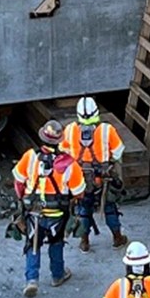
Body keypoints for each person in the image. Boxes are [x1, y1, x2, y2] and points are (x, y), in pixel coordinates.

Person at [10, 119, 85, 298]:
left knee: (32, 244)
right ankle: (57, 275)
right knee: (56, 243)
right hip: (57, 215)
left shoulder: (29, 157)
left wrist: (24, 200)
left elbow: (18, 183)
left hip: (33, 213)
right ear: (60, 140)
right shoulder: (69, 164)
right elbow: (79, 192)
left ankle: (32, 280)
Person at [60, 96, 128, 252]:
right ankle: (117, 238)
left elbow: (63, 153)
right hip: (102, 178)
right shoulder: (106, 129)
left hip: (80, 180)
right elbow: (118, 152)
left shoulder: (70, 129)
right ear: (96, 112)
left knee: (83, 209)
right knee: (110, 206)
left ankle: (84, 242)